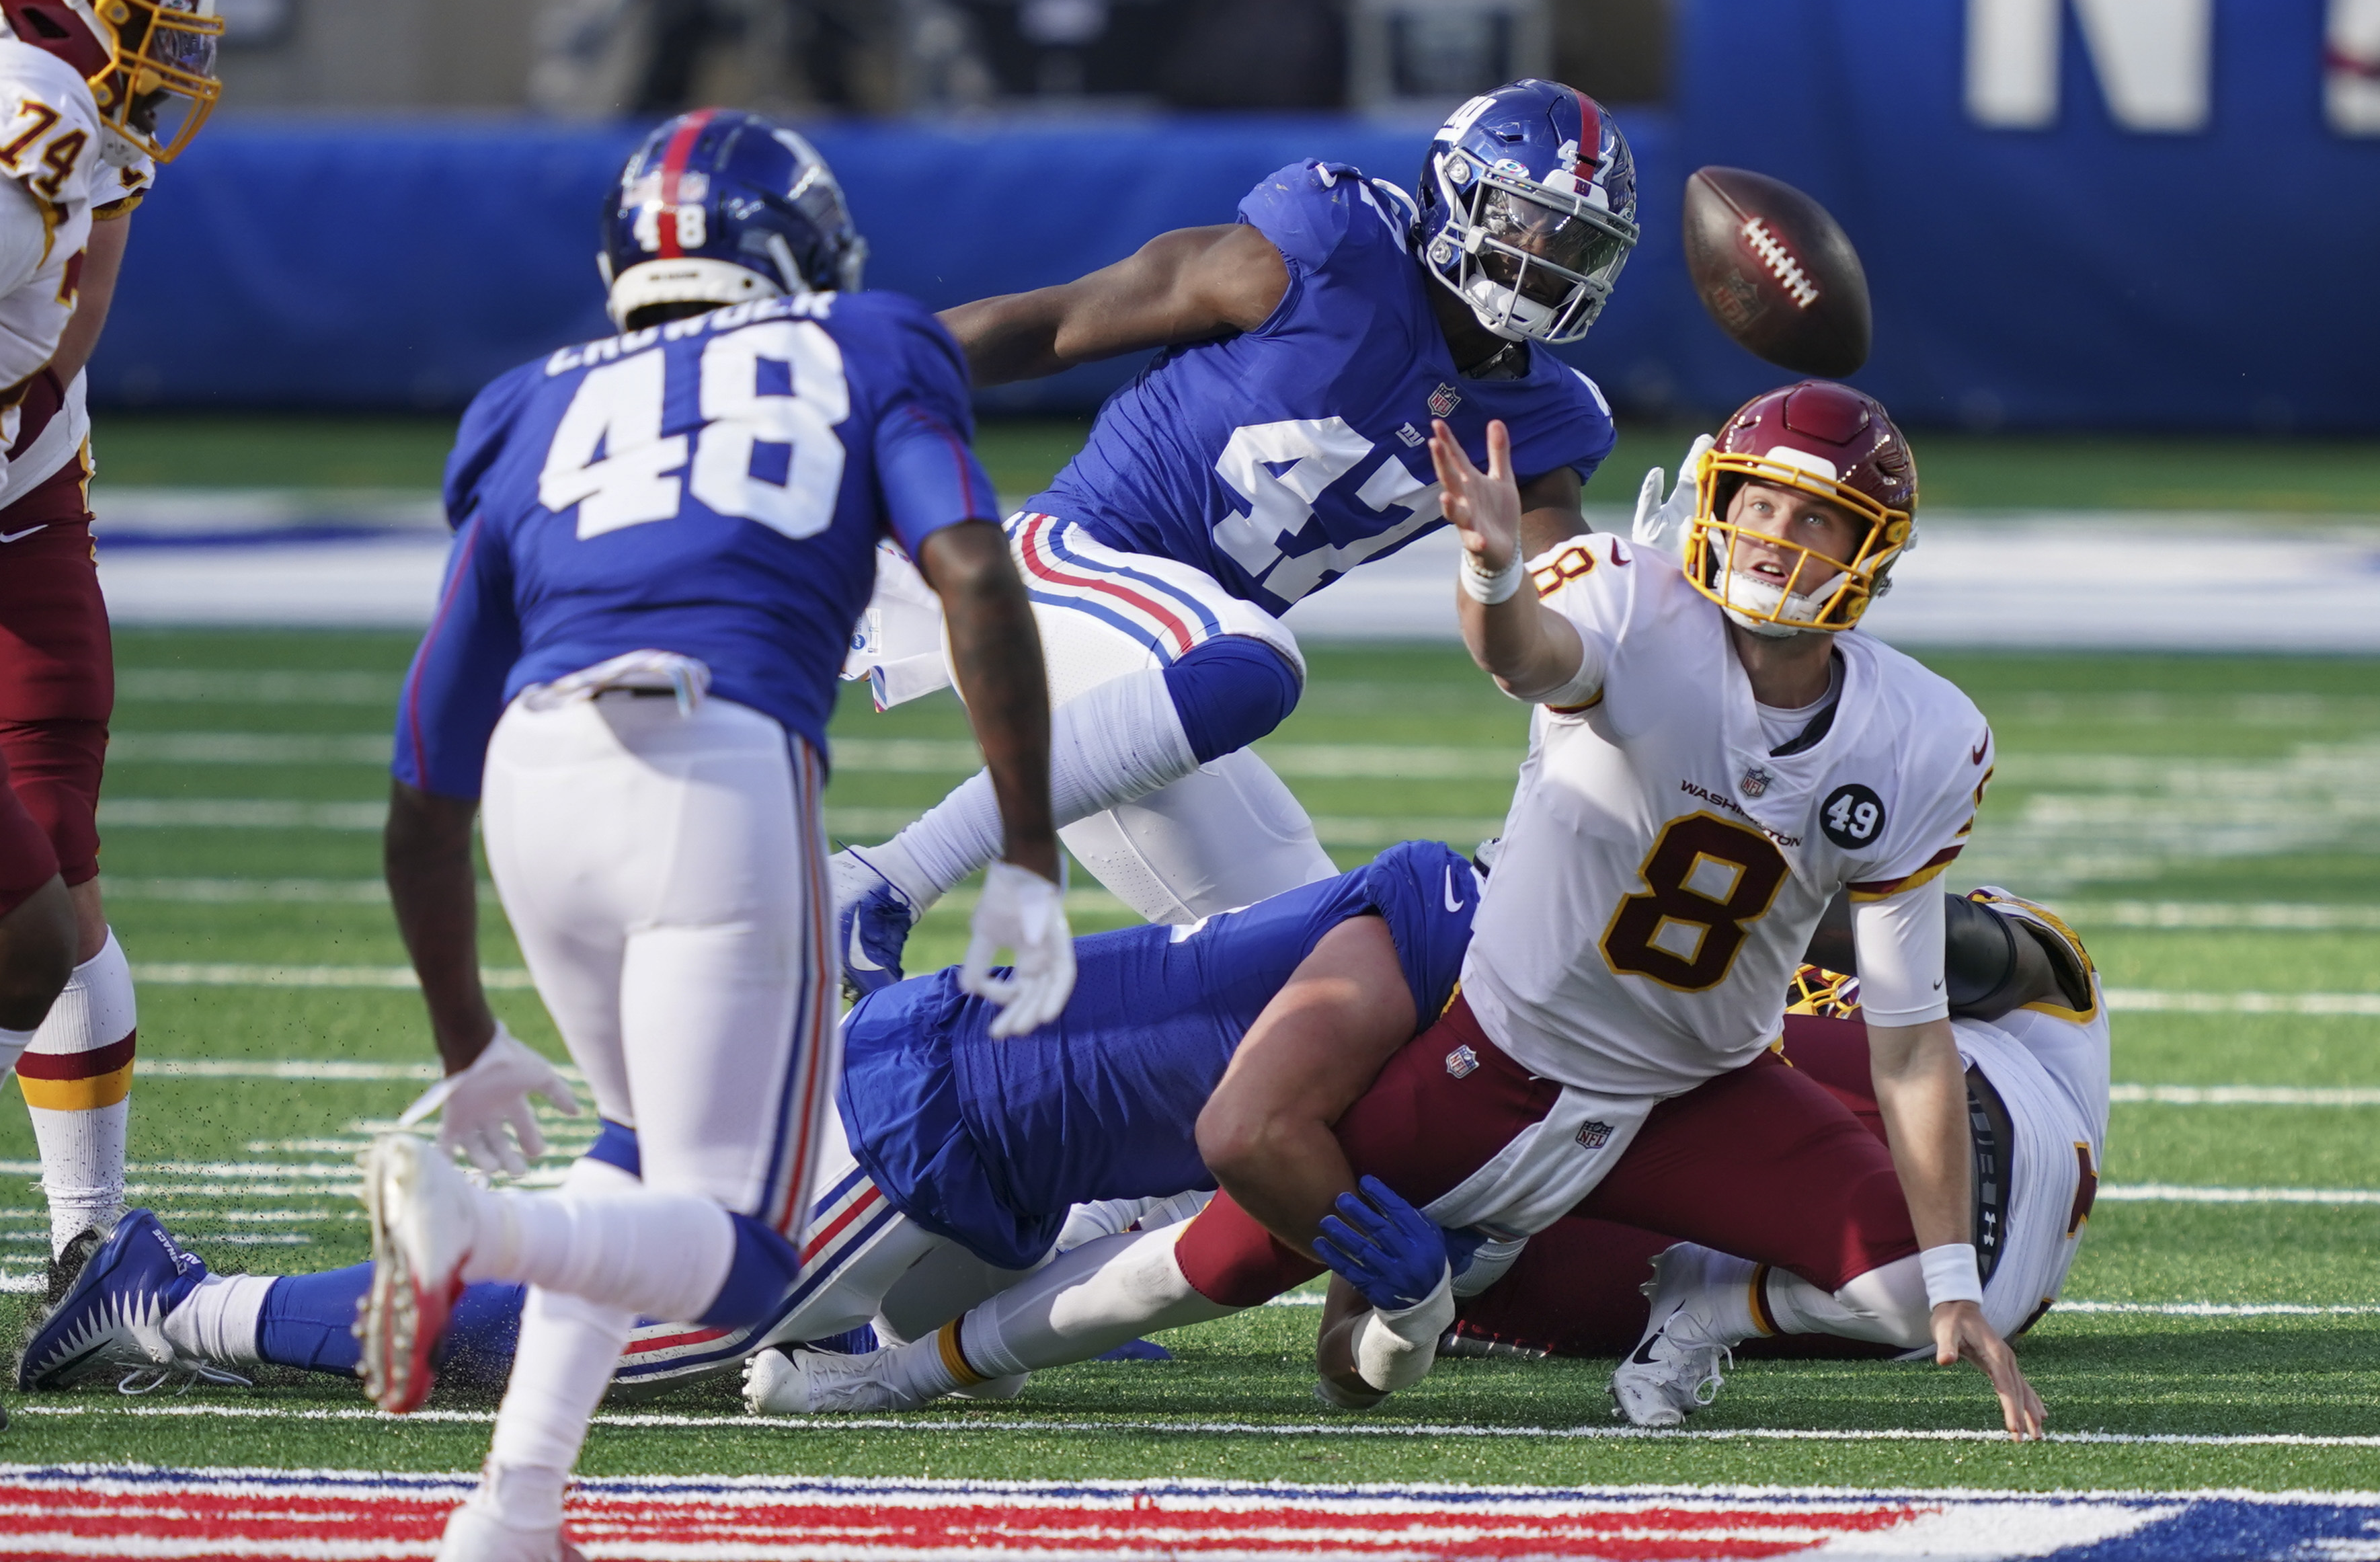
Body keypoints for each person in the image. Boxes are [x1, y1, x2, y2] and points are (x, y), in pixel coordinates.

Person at [768, 381, 2047, 1441]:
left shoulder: (1920, 735)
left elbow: (1909, 1027)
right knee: (1227, 1268)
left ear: (1866, 552)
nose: (1776, 538)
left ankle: (1696, 1316)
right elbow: (1524, 655)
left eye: (1814, 520)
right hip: (1497, 1045)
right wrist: (1495, 573)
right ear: (1715, 504)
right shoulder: (1631, 605)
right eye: (1759, 505)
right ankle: (912, 1367)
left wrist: (1948, 1286)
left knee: (1914, 1290)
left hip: (1700, 1083)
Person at [301, 111, 1056, 1562]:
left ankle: (510, 1507)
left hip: (534, 780)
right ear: (794, 249)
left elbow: (421, 775)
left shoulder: (528, 399)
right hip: (714, 763)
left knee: (637, 1148)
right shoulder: (870, 344)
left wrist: (467, 1041)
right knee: (746, 1253)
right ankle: (477, 1232)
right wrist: (1025, 846)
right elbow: (970, 569)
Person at [23, 841, 1480, 1405]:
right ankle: (164, 1299)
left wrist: (1399, 1313)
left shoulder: (1493, 1006)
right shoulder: (1443, 937)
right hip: (934, 1119)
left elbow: (1317, 1321)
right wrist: (1407, 1301)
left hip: (992, 1168)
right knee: (574, 1344)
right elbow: (1244, 1163)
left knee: (799, 1330)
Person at [832, 77, 1636, 989]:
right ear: (1460, 191)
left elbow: (1573, 617)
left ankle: (943, 1078)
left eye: (1579, 240)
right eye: (1529, 219)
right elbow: (1056, 322)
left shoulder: (1545, 422)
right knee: (1256, 659)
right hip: (1071, 570)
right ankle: (881, 880)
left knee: (1335, 971)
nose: (1550, 256)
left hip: (1151, 704)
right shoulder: (1335, 248)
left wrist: (1630, 594)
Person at [1367, 889, 2109, 1424]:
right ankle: (1703, 1300)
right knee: (1443, 1249)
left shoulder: (1916, 932)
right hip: (1926, 1302)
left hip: (1971, 1149)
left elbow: (1977, 953)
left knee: (1573, 1078)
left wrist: (1762, 892)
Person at [0, 0, 220, 1292]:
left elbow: (65, 337)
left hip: (26, 490)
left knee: (59, 881)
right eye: (148, 14)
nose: (170, 54)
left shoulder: (73, 113)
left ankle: (89, 1240)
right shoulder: (28, 105)